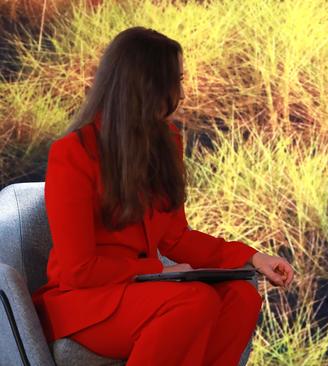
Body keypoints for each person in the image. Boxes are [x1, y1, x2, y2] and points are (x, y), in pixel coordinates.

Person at [31, 27, 294, 366]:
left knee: (242, 295)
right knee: (193, 301)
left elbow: (176, 237)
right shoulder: (73, 153)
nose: (181, 93)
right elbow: (78, 271)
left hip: (143, 291)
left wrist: (251, 258)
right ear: (147, 86)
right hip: (85, 302)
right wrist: (156, 270)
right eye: (176, 81)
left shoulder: (168, 141)